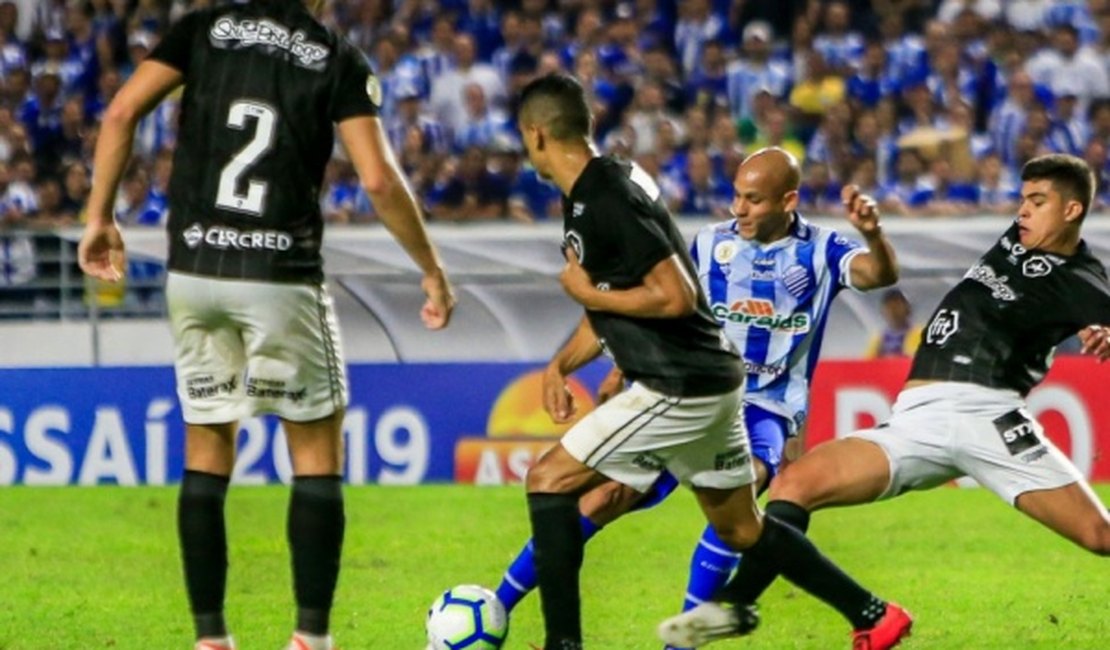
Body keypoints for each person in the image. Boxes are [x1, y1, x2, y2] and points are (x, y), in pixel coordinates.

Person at [76, 2, 456, 650]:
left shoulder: (201, 29)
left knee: (207, 446)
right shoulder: (336, 57)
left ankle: (211, 639)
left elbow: (118, 113)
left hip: (193, 267)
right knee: (313, 452)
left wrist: (98, 216)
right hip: (280, 272)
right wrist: (431, 269)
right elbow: (378, 180)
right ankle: (310, 638)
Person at [514, 73, 911, 650]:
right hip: (715, 384)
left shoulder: (819, 248)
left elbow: (667, 298)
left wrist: (874, 237)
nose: (739, 208)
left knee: (549, 478)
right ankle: (871, 611)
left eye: (753, 199)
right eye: (737, 196)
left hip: (721, 394)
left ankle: (567, 643)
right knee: (738, 524)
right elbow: (657, 304)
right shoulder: (705, 239)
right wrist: (595, 364)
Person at [726, 153, 1110, 617]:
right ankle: (734, 607)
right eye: (1022, 199)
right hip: (916, 418)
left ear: (1072, 211)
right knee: (794, 484)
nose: (1022, 211)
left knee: (1099, 536)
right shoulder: (1018, 240)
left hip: (987, 413)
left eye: (1037, 201)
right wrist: (873, 228)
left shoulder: (1083, 280)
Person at [865, 288, 923, 358]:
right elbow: (868, 363)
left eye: (897, 305)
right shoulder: (879, 339)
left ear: (908, 308)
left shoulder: (920, 335)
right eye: (889, 306)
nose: (893, 310)